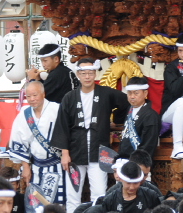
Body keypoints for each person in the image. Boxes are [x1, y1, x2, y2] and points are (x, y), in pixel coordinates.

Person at [51, 56, 129, 213]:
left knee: (99, 193)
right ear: (78, 75)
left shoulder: (106, 93)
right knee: (72, 194)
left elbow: (125, 102)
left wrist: (116, 121)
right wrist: (65, 153)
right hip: (75, 152)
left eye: (90, 73)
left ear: (95, 74)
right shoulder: (69, 97)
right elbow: (62, 125)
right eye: (84, 73)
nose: (87, 77)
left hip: (99, 151)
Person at [9, 80, 65, 204]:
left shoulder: (57, 109)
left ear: (43, 94)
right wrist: (25, 167)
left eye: (35, 95)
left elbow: (67, 135)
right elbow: (20, 142)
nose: (32, 99)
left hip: (58, 165)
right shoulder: (24, 114)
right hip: (36, 168)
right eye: (28, 96)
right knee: (36, 205)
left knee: (58, 203)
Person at [119, 76, 160, 158]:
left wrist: (137, 162)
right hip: (123, 159)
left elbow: (148, 145)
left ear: (145, 93)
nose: (132, 96)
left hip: (138, 161)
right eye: (129, 93)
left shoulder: (151, 115)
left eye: (136, 93)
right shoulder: (129, 110)